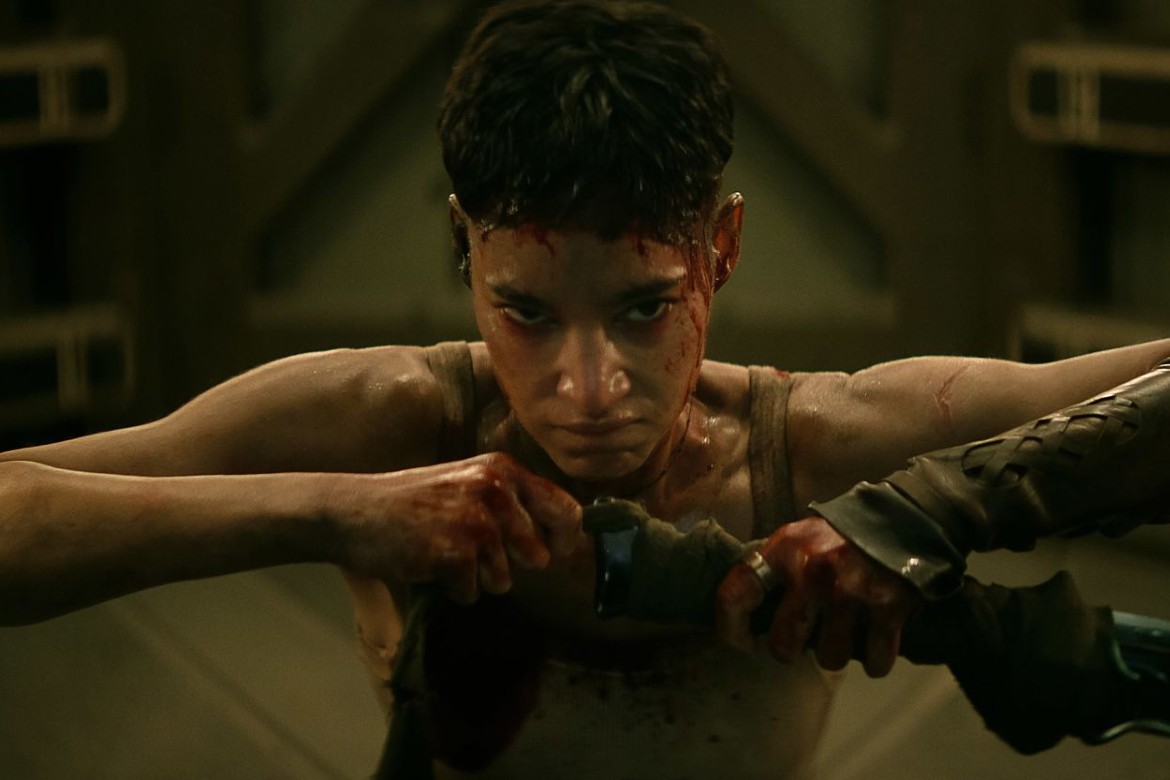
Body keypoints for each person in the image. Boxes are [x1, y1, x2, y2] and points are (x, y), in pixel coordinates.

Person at [1, 0, 1168, 776]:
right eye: (526, 312)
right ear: (464, 249)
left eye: (644, 308)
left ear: (721, 249)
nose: (590, 386)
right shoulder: (395, 421)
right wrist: (334, 509)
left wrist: (931, 511)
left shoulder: (809, 443)